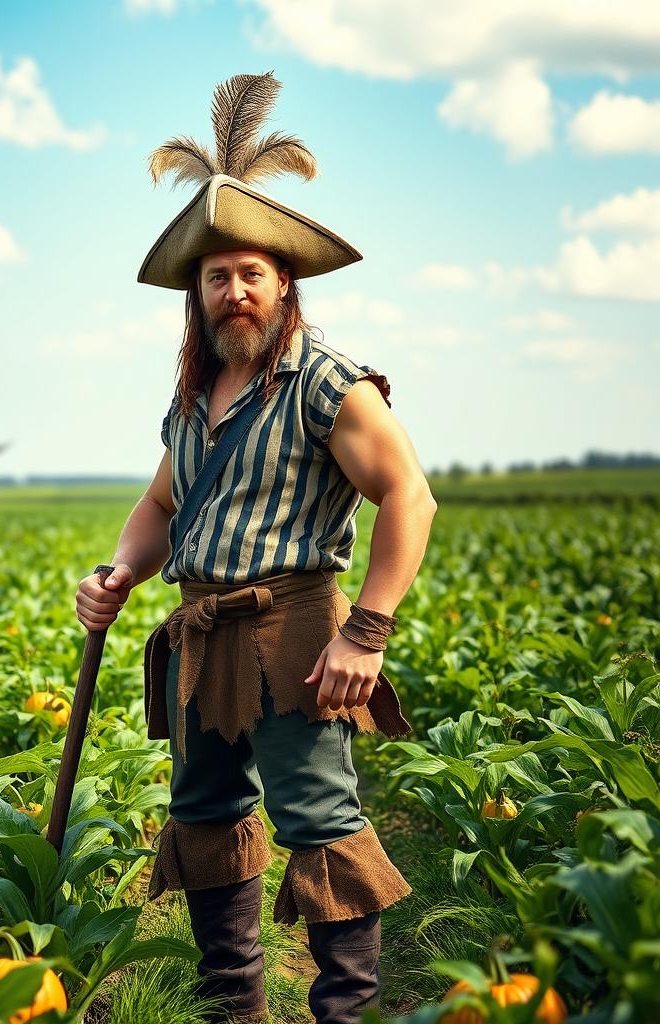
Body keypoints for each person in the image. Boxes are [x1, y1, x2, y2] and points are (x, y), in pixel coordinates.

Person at [75, 72, 436, 1024]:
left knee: (318, 820)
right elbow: (159, 508)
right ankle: (231, 1005)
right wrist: (120, 570)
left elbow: (410, 494)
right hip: (201, 634)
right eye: (215, 275)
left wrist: (366, 633)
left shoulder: (326, 382)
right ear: (196, 294)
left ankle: (342, 1013)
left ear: (284, 284)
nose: (233, 290)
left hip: (295, 631)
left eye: (251, 274)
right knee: (204, 816)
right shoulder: (194, 401)